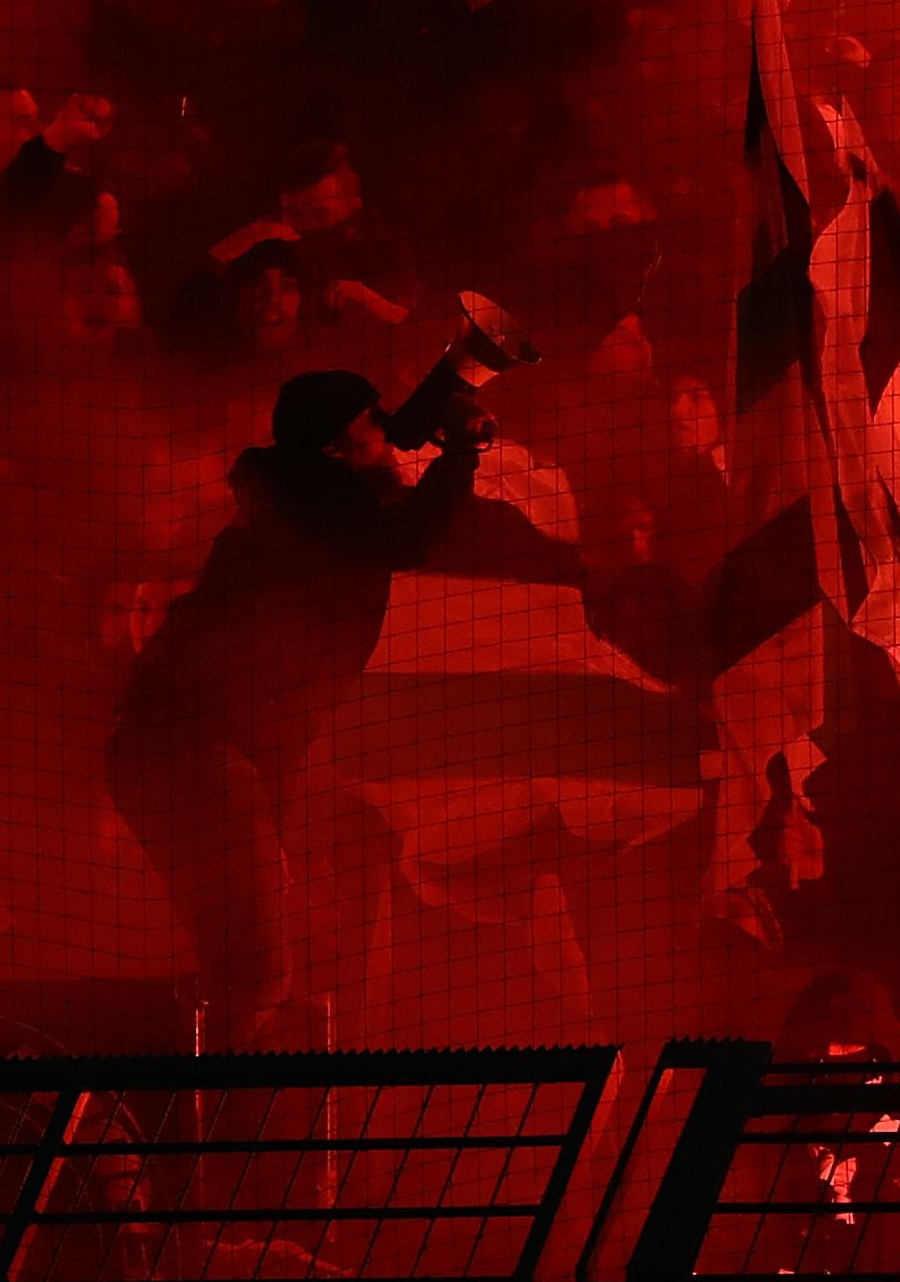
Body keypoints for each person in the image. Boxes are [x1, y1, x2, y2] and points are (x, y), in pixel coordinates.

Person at [101, 319, 563, 1047]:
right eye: (371, 425)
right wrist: (460, 454)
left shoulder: (304, 496)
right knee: (254, 972)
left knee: (245, 960)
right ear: (332, 449)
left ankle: (206, 1102)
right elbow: (402, 541)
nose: (387, 434)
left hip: (194, 751)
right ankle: (210, 1124)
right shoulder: (313, 504)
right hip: (191, 750)